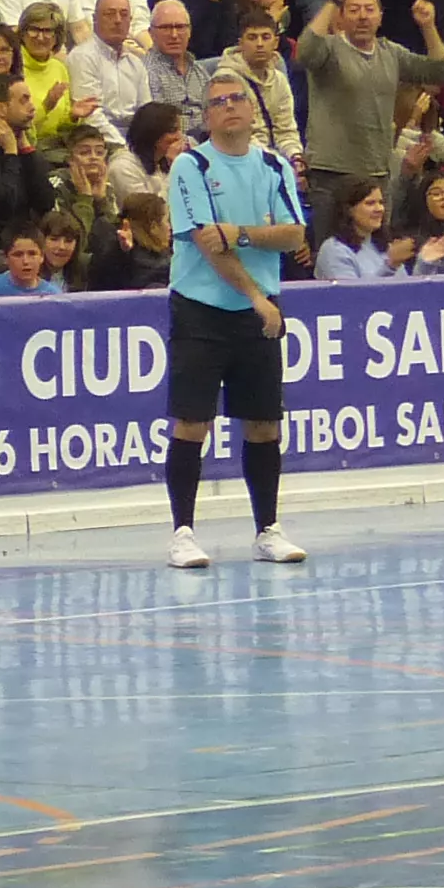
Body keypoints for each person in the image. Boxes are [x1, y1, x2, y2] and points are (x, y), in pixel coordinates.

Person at [162, 71, 307, 572]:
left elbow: (293, 234)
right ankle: (182, 533)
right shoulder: (191, 165)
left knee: (264, 424)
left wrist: (241, 233)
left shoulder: (273, 164)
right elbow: (207, 242)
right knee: (192, 422)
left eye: (236, 98)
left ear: (250, 108)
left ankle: (267, 529)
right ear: (206, 116)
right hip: (201, 309)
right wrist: (256, 297)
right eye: (218, 101)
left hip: (258, 313)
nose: (228, 106)